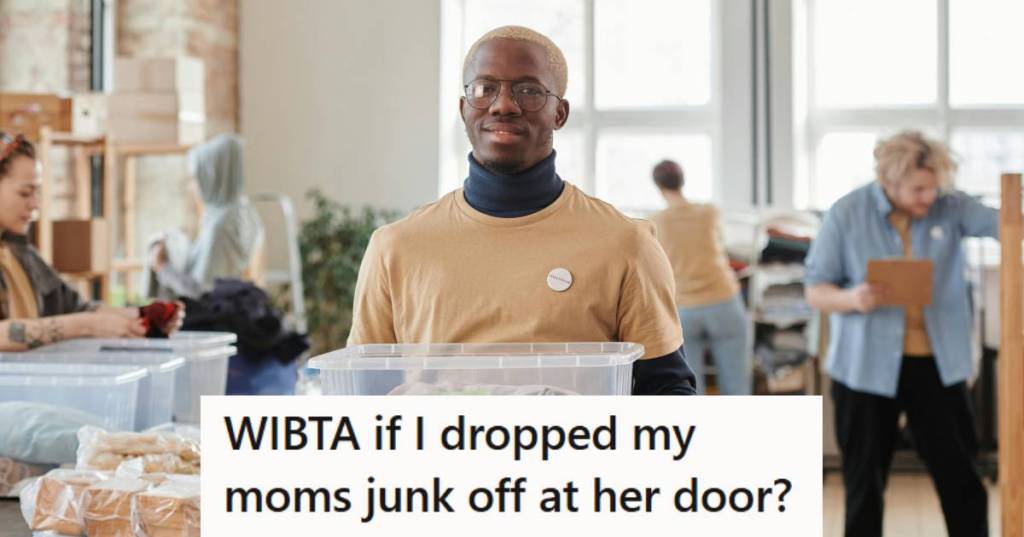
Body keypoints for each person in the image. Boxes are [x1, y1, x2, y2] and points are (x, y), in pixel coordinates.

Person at [348, 26, 696, 395]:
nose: (503, 105)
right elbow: (366, 399)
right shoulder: (394, 247)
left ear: (559, 113)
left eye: (528, 91)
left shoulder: (627, 244)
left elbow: (667, 394)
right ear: (464, 108)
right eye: (485, 89)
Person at [804, 130, 992, 537]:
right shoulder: (846, 212)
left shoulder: (951, 207)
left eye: (934, 187)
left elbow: (1007, 223)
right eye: (918, 189)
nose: (929, 197)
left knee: (961, 480)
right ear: (889, 181)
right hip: (865, 368)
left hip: (938, 367)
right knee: (864, 487)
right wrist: (853, 298)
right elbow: (815, 290)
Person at [0, 132, 183, 351]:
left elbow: (74, 308)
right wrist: (87, 326)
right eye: (25, 193)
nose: (35, 204)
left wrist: (141, 316)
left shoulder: (19, 254)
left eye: (37, 192)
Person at [649, 160, 750, 394]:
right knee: (736, 385)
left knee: (689, 388)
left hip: (683, 309)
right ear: (682, 180)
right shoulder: (709, 212)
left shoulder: (654, 221)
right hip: (724, 302)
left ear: (658, 186)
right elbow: (722, 245)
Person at [144, 134, 264, 300]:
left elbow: (203, 293)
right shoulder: (247, 213)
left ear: (212, 176)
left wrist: (162, 268)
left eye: (196, 178)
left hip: (213, 322)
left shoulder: (221, 225)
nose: (192, 187)